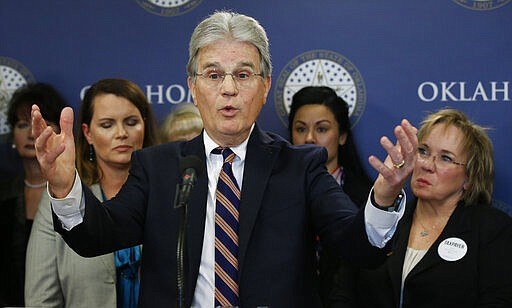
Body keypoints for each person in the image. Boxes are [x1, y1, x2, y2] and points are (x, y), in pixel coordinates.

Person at [32, 11, 418, 307]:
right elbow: (96, 236)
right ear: (193, 87)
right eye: (214, 75)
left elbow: (359, 246)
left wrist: (383, 199)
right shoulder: (159, 167)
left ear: (265, 87)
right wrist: (65, 187)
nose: (229, 89)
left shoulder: (300, 166)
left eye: (243, 75)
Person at [329, 108, 512, 307]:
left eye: (446, 158)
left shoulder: (492, 229)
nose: (426, 165)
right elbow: (343, 294)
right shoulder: (382, 220)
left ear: (469, 177)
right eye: (423, 151)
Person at [25, 78, 158, 308]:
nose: (121, 133)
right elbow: (41, 300)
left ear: (145, 126)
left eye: (131, 122)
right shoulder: (61, 200)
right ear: (87, 133)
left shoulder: (170, 193)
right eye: (107, 124)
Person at [288, 86, 373, 305]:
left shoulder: (367, 200)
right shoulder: (272, 193)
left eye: (322, 129)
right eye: (300, 129)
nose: (309, 138)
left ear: (342, 136)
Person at [0, 83, 68, 307]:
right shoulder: (4, 193)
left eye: (42, 125)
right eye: (22, 125)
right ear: (12, 135)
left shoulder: (72, 192)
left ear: (58, 132)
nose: (31, 134)